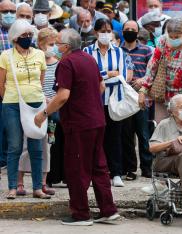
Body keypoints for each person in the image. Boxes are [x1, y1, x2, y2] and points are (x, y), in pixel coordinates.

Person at [34, 28, 121, 226]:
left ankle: (81, 214)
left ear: (65, 46)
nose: (55, 46)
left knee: (77, 168)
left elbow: (63, 96)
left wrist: (43, 114)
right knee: (99, 167)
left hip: (79, 123)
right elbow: (101, 87)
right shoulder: (89, 59)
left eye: (57, 42)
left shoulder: (66, 62)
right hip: (97, 120)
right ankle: (108, 210)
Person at [0, 19, 50, 200]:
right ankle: (12, 187)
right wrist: (13, 97)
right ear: (15, 37)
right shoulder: (6, 55)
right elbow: (1, 84)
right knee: (14, 145)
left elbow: (41, 81)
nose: (27, 38)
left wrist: (34, 95)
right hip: (12, 103)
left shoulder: (39, 54)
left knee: (36, 146)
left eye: (30, 35)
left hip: (36, 103)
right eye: (24, 35)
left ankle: (37, 188)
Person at [83, 18, 128, 187]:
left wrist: (101, 77)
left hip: (114, 102)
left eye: (109, 30)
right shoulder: (87, 51)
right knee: (95, 139)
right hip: (94, 102)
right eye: (102, 30)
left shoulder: (119, 52)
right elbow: (87, 78)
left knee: (114, 138)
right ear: (95, 32)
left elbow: (121, 78)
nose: (106, 34)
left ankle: (116, 173)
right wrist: (108, 74)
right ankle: (95, 173)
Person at [17, 28, 59, 196]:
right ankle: (20, 182)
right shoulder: (34, 61)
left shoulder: (59, 63)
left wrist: (53, 101)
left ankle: (42, 182)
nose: (53, 47)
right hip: (34, 110)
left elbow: (61, 87)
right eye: (50, 44)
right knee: (26, 145)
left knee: (49, 144)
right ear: (40, 44)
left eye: (55, 44)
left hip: (52, 113)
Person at [138, 18, 182, 124]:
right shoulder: (163, 41)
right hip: (163, 94)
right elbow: (153, 65)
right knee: (163, 130)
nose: (173, 39)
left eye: (176, 37)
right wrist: (143, 89)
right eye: (170, 36)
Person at [121, 20, 154, 180]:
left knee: (143, 134)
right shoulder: (118, 51)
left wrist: (142, 81)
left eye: (132, 29)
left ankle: (147, 167)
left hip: (142, 99)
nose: (129, 31)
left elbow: (152, 73)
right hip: (124, 100)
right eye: (127, 29)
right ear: (122, 31)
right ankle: (130, 168)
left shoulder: (147, 51)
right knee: (127, 135)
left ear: (137, 32)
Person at [0, 0, 16, 176]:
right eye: (5, 11)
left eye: (12, 11)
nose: (9, 14)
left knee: (11, 127)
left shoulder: (19, 32)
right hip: (1, 85)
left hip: (15, 87)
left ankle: (8, 160)